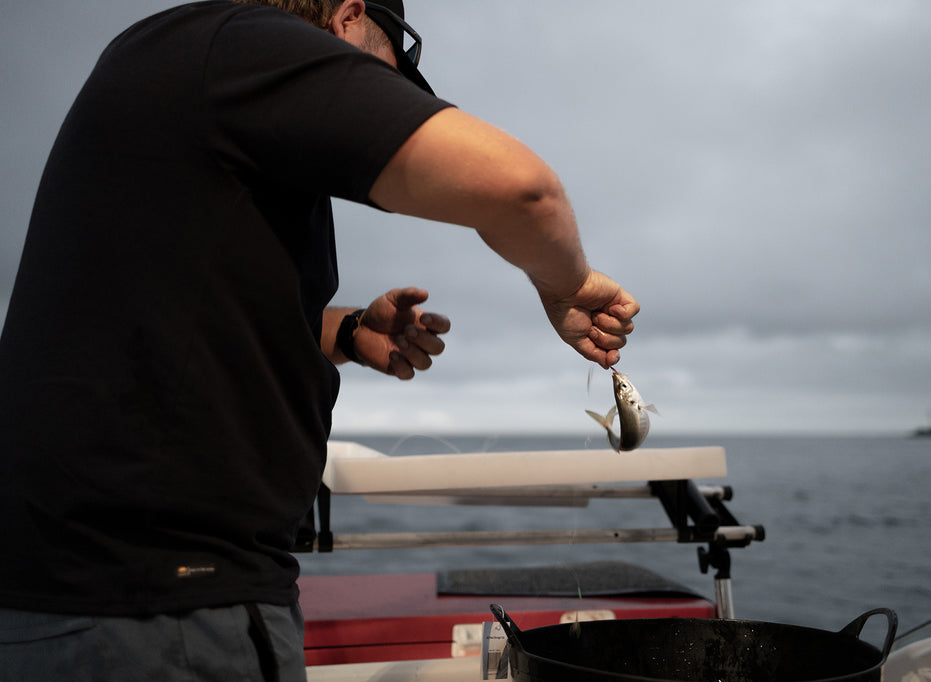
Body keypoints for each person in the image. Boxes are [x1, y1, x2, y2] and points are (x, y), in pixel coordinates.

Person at [0, 0, 639, 679]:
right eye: (384, 79)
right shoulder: (245, 45)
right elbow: (522, 191)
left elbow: (175, 309)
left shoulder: (181, 65)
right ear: (347, 18)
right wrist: (567, 287)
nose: (378, 102)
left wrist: (350, 330)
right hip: (161, 607)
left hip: (69, 590)